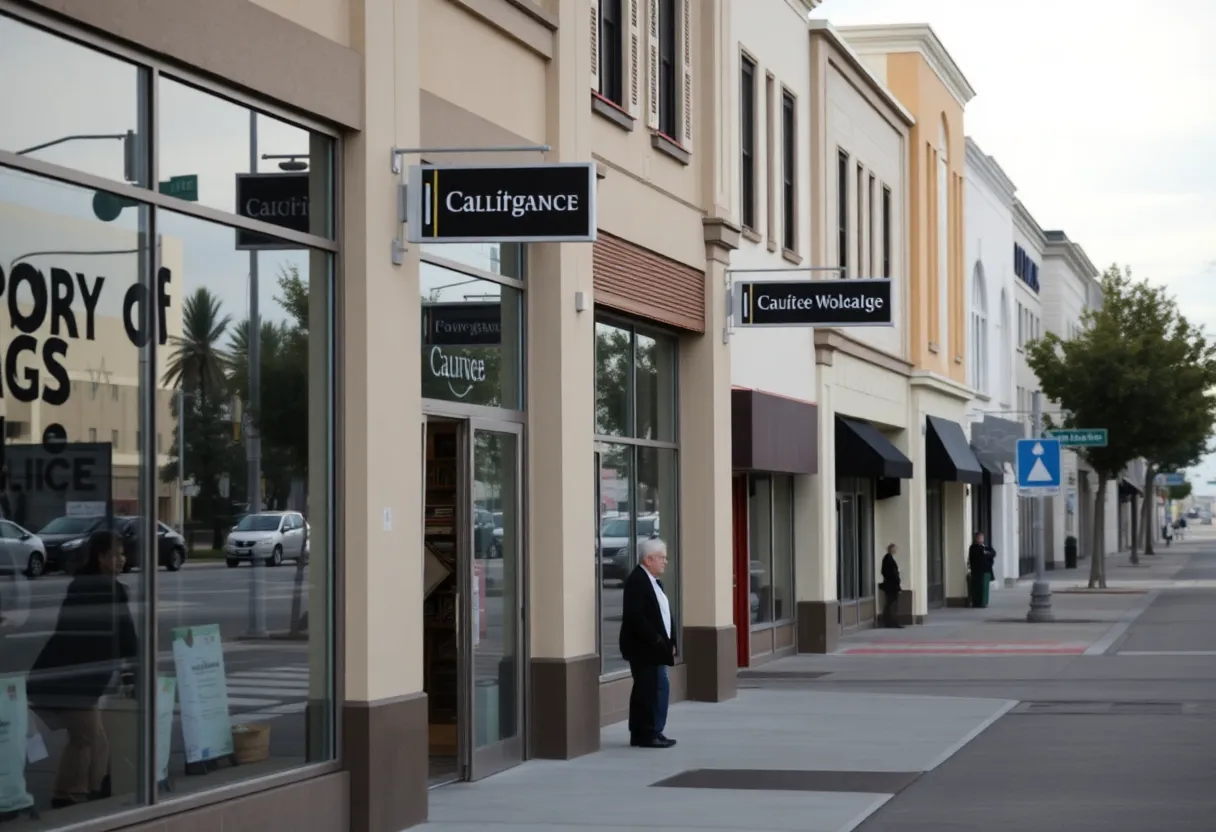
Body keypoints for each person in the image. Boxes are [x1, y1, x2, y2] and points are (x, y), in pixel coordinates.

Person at [27, 530, 138, 808]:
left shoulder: (81, 585)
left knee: (96, 739)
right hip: (73, 679)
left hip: (70, 676)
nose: (122, 560)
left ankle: (92, 789)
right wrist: (134, 667)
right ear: (101, 558)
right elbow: (127, 637)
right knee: (85, 737)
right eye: (116, 554)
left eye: (122, 554)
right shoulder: (110, 590)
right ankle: (66, 794)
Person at [619, 537, 676, 748]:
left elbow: (665, 613)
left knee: (658, 687)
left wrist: (672, 639)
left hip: (657, 647)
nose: (665, 562)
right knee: (648, 690)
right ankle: (644, 733)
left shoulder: (654, 581)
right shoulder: (637, 581)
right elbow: (636, 617)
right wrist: (656, 639)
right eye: (662, 558)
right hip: (644, 648)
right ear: (648, 559)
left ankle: (654, 730)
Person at [967, 532, 995, 609]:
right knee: (977, 586)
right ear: (976, 539)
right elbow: (979, 556)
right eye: (979, 538)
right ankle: (977, 602)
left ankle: (983, 601)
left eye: (981, 538)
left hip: (985, 570)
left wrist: (986, 554)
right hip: (977, 570)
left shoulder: (986, 546)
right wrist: (986, 554)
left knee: (984, 586)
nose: (980, 539)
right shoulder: (973, 547)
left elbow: (993, 553)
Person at [879, 544, 903, 628]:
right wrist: (896, 581)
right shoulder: (888, 559)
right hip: (891, 585)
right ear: (891, 549)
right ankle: (890, 621)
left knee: (890, 603)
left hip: (891, 585)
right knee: (891, 604)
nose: (895, 550)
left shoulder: (888, 558)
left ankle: (890, 621)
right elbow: (891, 573)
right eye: (894, 549)